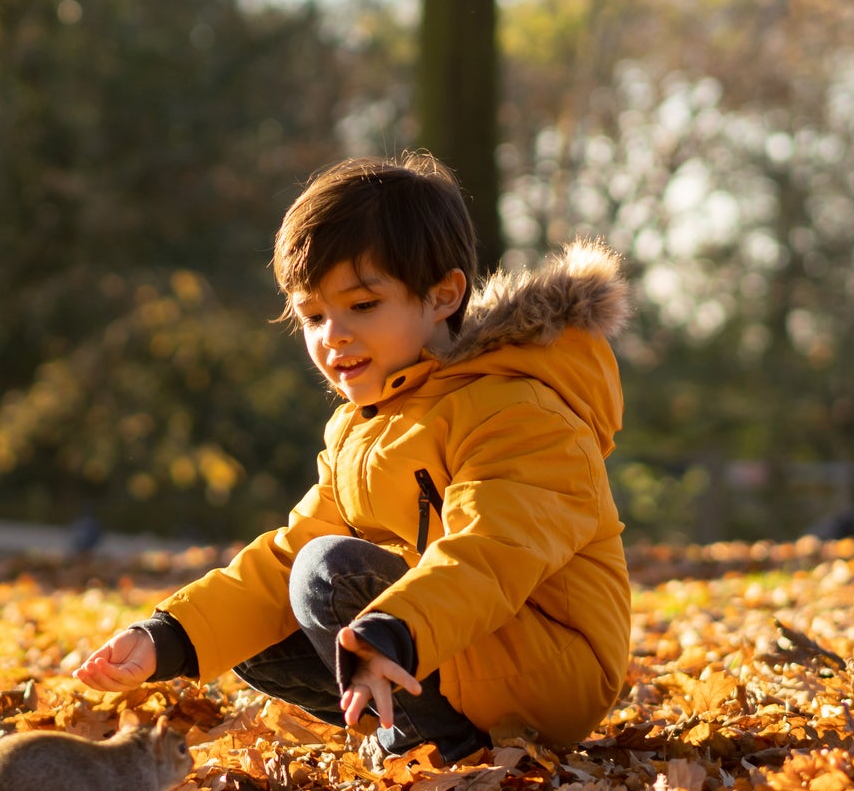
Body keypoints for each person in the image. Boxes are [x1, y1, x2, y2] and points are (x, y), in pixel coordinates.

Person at [74, 152, 633, 760]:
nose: (332, 335)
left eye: (362, 306)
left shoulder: (517, 409)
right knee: (256, 624)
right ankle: (427, 731)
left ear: (444, 295)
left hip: (546, 666)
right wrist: (169, 636)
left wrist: (391, 632)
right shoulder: (364, 427)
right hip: (441, 642)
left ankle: (432, 742)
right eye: (312, 315)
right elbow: (286, 554)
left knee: (327, 573)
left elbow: (490, 556)